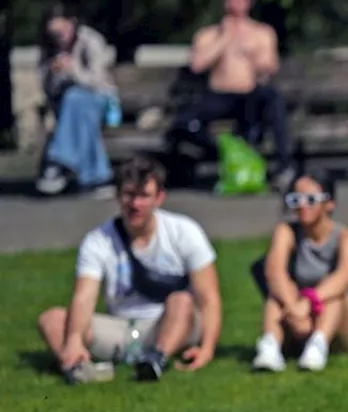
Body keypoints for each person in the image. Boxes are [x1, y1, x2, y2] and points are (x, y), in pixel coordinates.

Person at [36, 155, 223, 384]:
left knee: (182, 301)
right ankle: (79, 366)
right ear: (118, 196)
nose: (135, 205)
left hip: (168, 325)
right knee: (51, 319)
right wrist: (74, 339)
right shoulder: (98, 240)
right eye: (129, 195)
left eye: (144, 196)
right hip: (120, 328)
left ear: (159, 198)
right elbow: (84, 296)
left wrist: (207, 348)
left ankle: (156, 359)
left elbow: (209, 297)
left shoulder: (184, 231)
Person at [166, 0, 295, 188]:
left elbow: (270, 66)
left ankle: (284, 166)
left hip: (249, 95)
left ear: (248, 2)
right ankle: (218, 151)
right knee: (183, 123)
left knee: (273, 101)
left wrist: (248, 49)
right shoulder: (209, 34)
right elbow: (197, 65)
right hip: (219, 95)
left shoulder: (262, 33)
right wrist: (225, 39)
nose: (233, 3)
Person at [249, 171, 348, 373]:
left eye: (311, 199)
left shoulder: (346, 236)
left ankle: (318, 346)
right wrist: (293, 308)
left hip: (341, 318)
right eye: (296, 199)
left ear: (329, 203)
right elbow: (274, 272)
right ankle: (269, 346)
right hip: (299, 315)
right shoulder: (286, 231)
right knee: (276, 295)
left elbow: (344, 277)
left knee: (334, 295)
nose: (302, 205)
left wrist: (307, 302)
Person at [35, 3, 116, 198]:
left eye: (61, 32)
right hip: (68, 108)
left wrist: (73, 71)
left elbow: (99, 82)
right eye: (53, 34)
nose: (58, 38)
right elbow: (47, 90)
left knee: (76, 99)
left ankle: (58, 161)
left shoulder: (91, 41)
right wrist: (54, 74)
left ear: (71, 24)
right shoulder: (48, 49)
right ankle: (97, 179)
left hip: (99, 100)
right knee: (76, 105)